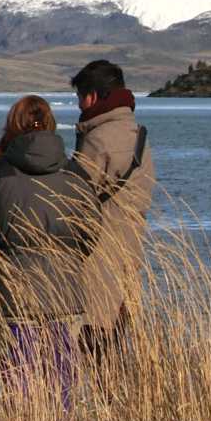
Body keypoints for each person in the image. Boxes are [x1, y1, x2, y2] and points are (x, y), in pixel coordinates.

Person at [0, 93, 102, 399]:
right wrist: (68, 263)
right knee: (60, 384)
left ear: (13, 125)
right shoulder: (75, 175)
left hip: (8, 296)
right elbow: (90, 233)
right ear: (50, 125)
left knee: (16, 387)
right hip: (63, 293)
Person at [67, 60, 156, 357]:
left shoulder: (97, 139)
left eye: (80, 97)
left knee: (90, 342)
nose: (78, 105)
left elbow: (75, 197)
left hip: (98, 256)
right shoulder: (139, 135)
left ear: (92, 96)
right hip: (130, 252)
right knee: (113, 344)